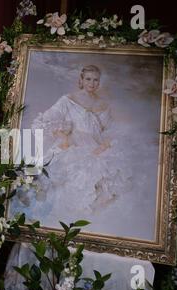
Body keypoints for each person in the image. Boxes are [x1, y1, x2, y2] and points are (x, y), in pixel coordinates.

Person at [13, 65, 133, 224]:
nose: (92, 83)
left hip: (96, 147)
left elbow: (108, 131)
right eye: (88, 79)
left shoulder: (103, 104)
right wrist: (63, 137)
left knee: (106, 181)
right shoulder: (67, 101)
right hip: (73, 146)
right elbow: (41, 122)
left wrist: (105, 144)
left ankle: (93, 227)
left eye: (96, 80)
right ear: (81, 80)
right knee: (69, 180)